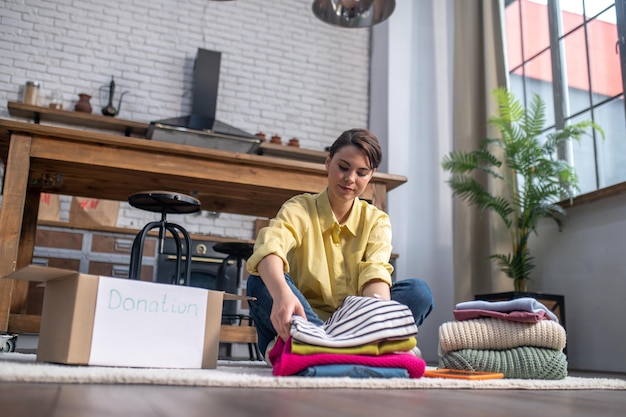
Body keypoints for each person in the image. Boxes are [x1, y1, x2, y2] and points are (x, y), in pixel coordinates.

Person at [245, 128, 434, 360]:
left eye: (361, 173)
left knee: (418, 292)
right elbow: (269, 249)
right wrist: (282, 293)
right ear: (328, 163)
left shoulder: (376, 220)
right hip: (303, 317)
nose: (350, 179)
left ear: (371, 175)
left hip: (353, 323)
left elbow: (375, 275)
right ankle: (343, 347)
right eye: (343, 167)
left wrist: (380, 320)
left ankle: (326, 348)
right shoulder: (300, 208)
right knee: (260, 281)